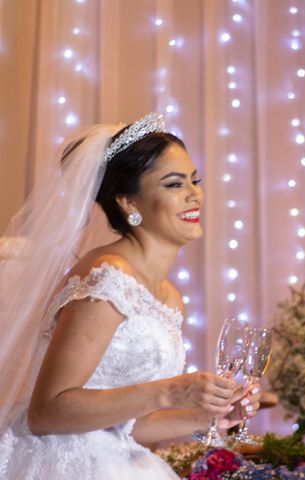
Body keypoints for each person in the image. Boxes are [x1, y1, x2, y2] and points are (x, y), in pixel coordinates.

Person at [0, 113, 260, 478]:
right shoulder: (108, 280)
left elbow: (123, 426)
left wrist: (208, 416)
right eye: (173, 184)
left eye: (194, 180)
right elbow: (46, 414)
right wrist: (171, 391)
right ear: (128, 203)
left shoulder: (168, 296)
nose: (194, 194)